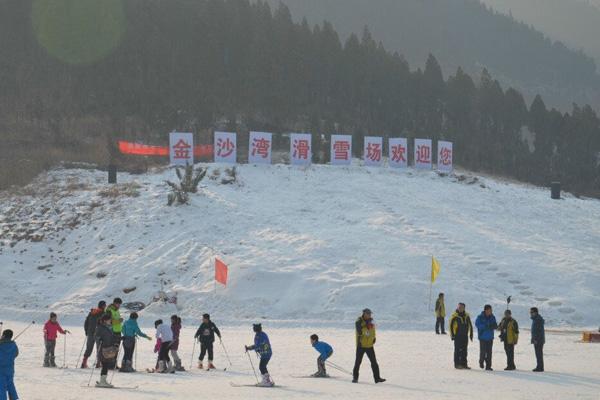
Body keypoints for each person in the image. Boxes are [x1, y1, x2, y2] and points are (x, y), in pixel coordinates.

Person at [352, 308, 385, 384]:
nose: (369, 315)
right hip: (361, 345)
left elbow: (373, 330)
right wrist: (366, 325)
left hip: (369, 345)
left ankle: (377, 378)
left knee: (374, 362)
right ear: (364, 314)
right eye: (368, 314)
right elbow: (360, 331)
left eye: (370, 314)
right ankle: (355, 378)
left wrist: (374, 338)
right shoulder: (359, 321)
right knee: (358, 362)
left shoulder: (371, 321)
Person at [95, 314, 119, 388]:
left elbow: (112, 337)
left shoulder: (109, 327)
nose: (110, 321)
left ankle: (103, 380)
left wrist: (120, 338)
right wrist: (99, 339)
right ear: (105, 320)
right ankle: (102, 381)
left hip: (108, 348)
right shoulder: (100, 327)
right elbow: (96, 336)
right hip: (103, 349)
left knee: (106, 365)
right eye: (109, 320)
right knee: (105, 365)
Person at [81, 300, 106, 369]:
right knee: (99, 349)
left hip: (90, 333)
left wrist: (86, 331)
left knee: (89, 348)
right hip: (99, 334)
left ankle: (84, 362)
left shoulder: (91, 313)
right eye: (105, 305)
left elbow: (86, 322)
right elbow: (104, 324)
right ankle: (98, 363)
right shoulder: (103, 314)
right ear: (103, 306)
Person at [449, 303, 473, 369]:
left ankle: (464, 364)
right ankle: (457, 364)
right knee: (457, 351)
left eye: (462, 307)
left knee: (464, 351)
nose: (460, 308)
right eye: (459, 307)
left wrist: (471, 334)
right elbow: (450, 326)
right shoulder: (454, 316)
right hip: (457, 336)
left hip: (465, 336)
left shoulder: (467, 315)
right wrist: (452, 335)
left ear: (464, 308)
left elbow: (470, 325)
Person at [475, 304, 497, 371]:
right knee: (483, 352)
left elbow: (494, 324)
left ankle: (488, 366)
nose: (491, 311)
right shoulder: (480, 317)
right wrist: (486, 326)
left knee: (489, 353)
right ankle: (481, 361)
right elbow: (477, 324)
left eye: (491, 310)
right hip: (482, 338)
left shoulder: (492, 317)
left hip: (490, 337)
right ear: (486, 310)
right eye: (489, 310)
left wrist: (495, 326)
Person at [0, 329, 19, 400]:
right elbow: (16, 354)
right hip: (10, 370)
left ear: (4, 335)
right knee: (10, 385)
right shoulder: (13, 345)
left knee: (1, 387)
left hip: (1, 371)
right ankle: (14, 398)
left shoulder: (1, 345)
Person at [530, 307, 545, 372]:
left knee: (539, 353)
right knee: (538, 353)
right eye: (530, 312)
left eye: (531, 312)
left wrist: (535, 339)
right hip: (537, 339)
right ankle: (539, 366)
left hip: (538, 339)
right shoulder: (535, 319)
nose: (530, 314)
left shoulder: (538, 320)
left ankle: (540, 367)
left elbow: (538, 331)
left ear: (535, 312)